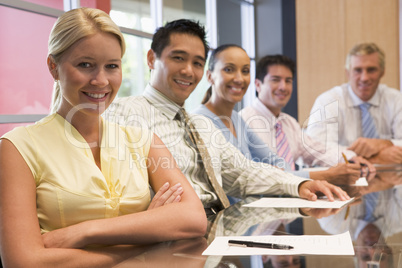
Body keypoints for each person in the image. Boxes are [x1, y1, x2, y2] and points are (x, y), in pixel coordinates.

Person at [0, 8, 206, 267]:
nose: (100, 80)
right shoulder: (18, 148)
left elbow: (194, 217)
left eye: (111, 66)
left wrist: (84, 232)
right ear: (54, 67)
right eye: (85, 65)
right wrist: (144, 237)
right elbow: (24, 263)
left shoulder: (142, 140)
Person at [104, 18, 350, 214]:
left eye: (197, 63)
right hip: (169, 237)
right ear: (151, 59)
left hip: (217, 231)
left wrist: (298, 185)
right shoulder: (124, 113)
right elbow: (112, 188)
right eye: (178, 58)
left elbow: (243, 173)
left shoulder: (199, 125)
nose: (189, 71)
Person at [194, 46, 368, 184]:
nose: (239, 78)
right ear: (209, 76)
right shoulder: (205, 122)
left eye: (245, 70)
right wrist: (326, 176)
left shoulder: (238, 121)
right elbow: (249, 179)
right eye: (229, 69)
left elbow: (280, 166)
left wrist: (351, 160)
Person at [306, 42, 402, 164]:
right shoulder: (328, 101)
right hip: (341, 178)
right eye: (358, 70)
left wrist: (385, 143)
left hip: (392, 178)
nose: (364, 78)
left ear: (382, 72)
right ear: (348, 73)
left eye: (371, 70)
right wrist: (374, 158)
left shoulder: (397, 100)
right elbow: (317, 151)